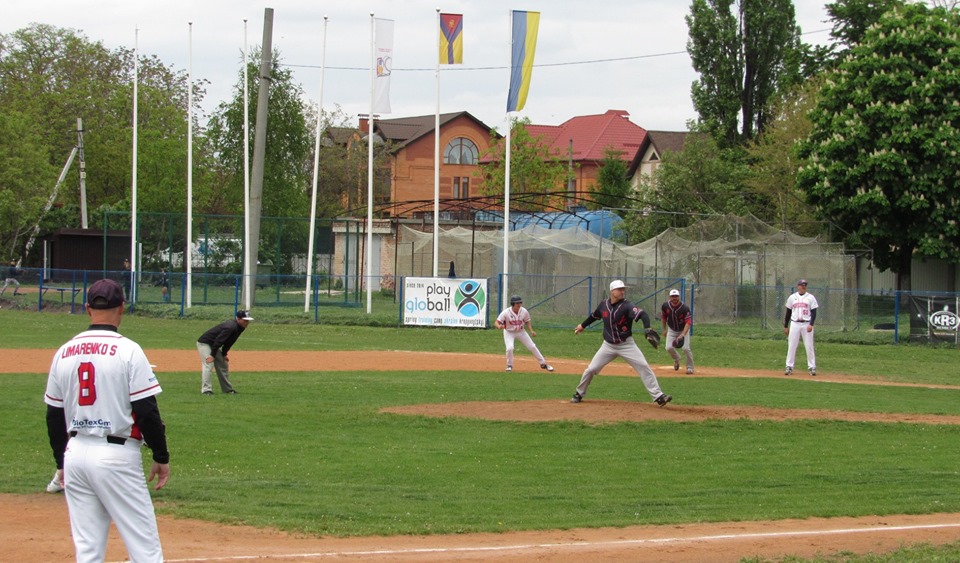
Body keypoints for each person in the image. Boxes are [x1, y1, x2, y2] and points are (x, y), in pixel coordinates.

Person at [43, 278, 170, 563]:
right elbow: (146, 411)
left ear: (88, 308)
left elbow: (54, 416)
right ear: (122, 307)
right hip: (116, 456)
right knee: (145, 548)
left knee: (88, 550)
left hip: (76, 454)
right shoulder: (128, 350)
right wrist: (161, 455)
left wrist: (61, 463)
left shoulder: (64, 351)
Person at [571, 280, 672, 406]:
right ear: (612, 291)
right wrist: (582, 326)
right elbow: (594, 316)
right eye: (619, 289)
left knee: (643, 366)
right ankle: (579, 394)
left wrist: (647, 328)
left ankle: (659, 396)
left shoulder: (627, 305)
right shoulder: (603, 305)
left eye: (623, 289)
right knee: (591, 369)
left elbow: (643, 314)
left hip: (626, 345)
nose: (622, 291)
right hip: (608, 346)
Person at [196, 310, 253, 395]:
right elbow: (218, 341)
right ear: (238, 319)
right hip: (204, 343)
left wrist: (224, 354)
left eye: (248, 320)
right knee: (209, 364)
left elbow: (229, 342)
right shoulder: (230, 327)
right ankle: (206, 390)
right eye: (245, 320)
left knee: (223, 364)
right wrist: (212, 355)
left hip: (214, 344)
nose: (247, 322)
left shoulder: (240, 327)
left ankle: (227, 390)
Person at [495, 295, 554, 372]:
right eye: (517, 303)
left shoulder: (524, 311)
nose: (519, 304)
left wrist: (531, 331)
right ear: (513, 304)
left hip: (521, 331)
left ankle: (543, 364)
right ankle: (509, 365)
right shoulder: (506, 312)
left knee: (532, 346)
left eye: (520, 302)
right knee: (510, 348)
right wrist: (498, 326)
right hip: (509, 332)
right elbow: (497, 322)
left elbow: (527, 321)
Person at [784, 279, 819, 376]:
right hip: (794, 323)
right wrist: (786, 326)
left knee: (809, 346)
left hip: (806, 323)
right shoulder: (792, 297)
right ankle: (789, 366)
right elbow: (788, 312)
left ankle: (812, 367)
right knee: (792, 345)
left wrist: (811, 324)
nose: (803, 287)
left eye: (805, 285)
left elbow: (814, 312)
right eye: (802, 285)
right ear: (798, 286)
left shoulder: (810, 297)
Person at [661, 288, 694, 374]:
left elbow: (688, 322)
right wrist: (664, 329)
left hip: (683, 329)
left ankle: (690, 367)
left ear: (679, 297)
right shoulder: (665, 306)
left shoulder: (684, 308)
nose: (674, 298)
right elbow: (664, 318)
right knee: (668, 348)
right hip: (672, 329)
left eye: (676, 296)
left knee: (686, 348)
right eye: (672, 296)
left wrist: (683, 334)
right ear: (669, 297)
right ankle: (677, 359)